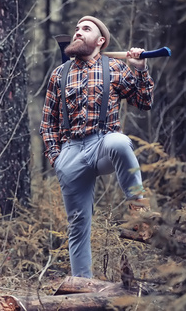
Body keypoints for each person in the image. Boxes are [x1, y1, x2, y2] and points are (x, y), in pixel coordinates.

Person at [39, 16, 154, 278]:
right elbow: (47, 123)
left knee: (120, 141)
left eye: (86, 29)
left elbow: (144, 102)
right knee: (78, 226)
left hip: (102, 144)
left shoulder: (114, 67)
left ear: (100, 41)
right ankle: (82, 288)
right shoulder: (60, 73)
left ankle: (139, 209)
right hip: (70, 154)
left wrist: (139, 69)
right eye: (77, 28)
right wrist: (56, 158)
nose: (78, 32)